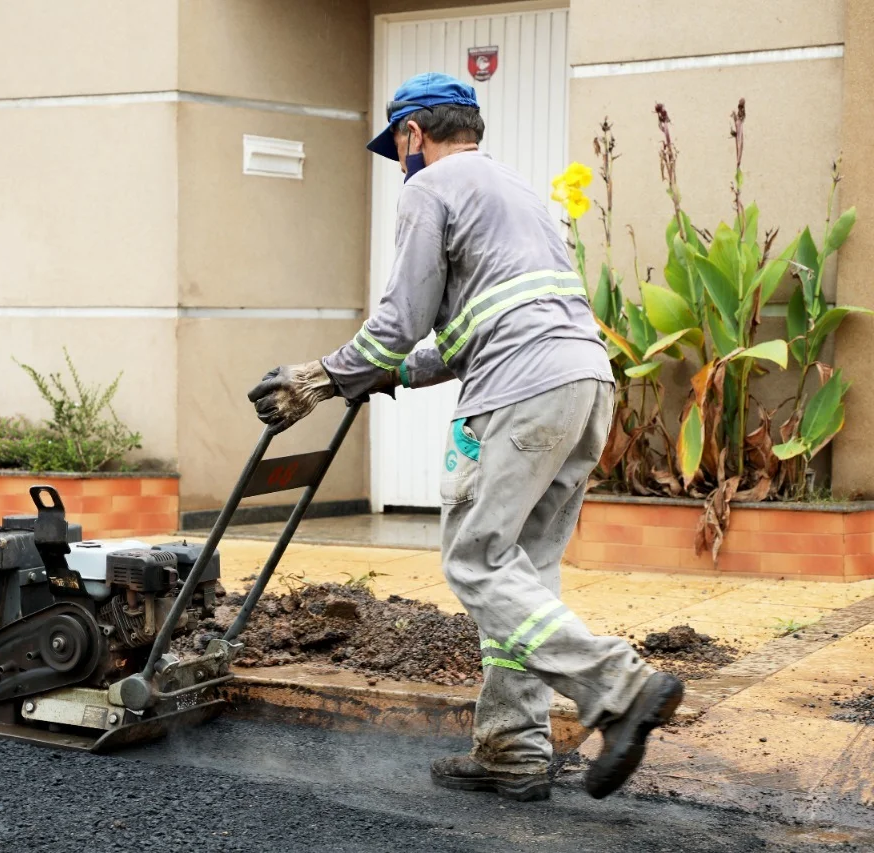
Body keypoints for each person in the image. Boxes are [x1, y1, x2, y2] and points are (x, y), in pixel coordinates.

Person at [247, 72, 684, 803]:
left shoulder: (431, 188)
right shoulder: (518, 194)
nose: (400, 163)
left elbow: (399, 319)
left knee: (476, 560)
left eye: (399, 147)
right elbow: (457, 334)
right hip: (585, 385)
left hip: (521, 390)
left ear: (415, 134)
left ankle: (620, 684)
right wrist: (384, 376)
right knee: (523, 575)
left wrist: (320, 378)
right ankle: (513, 746)